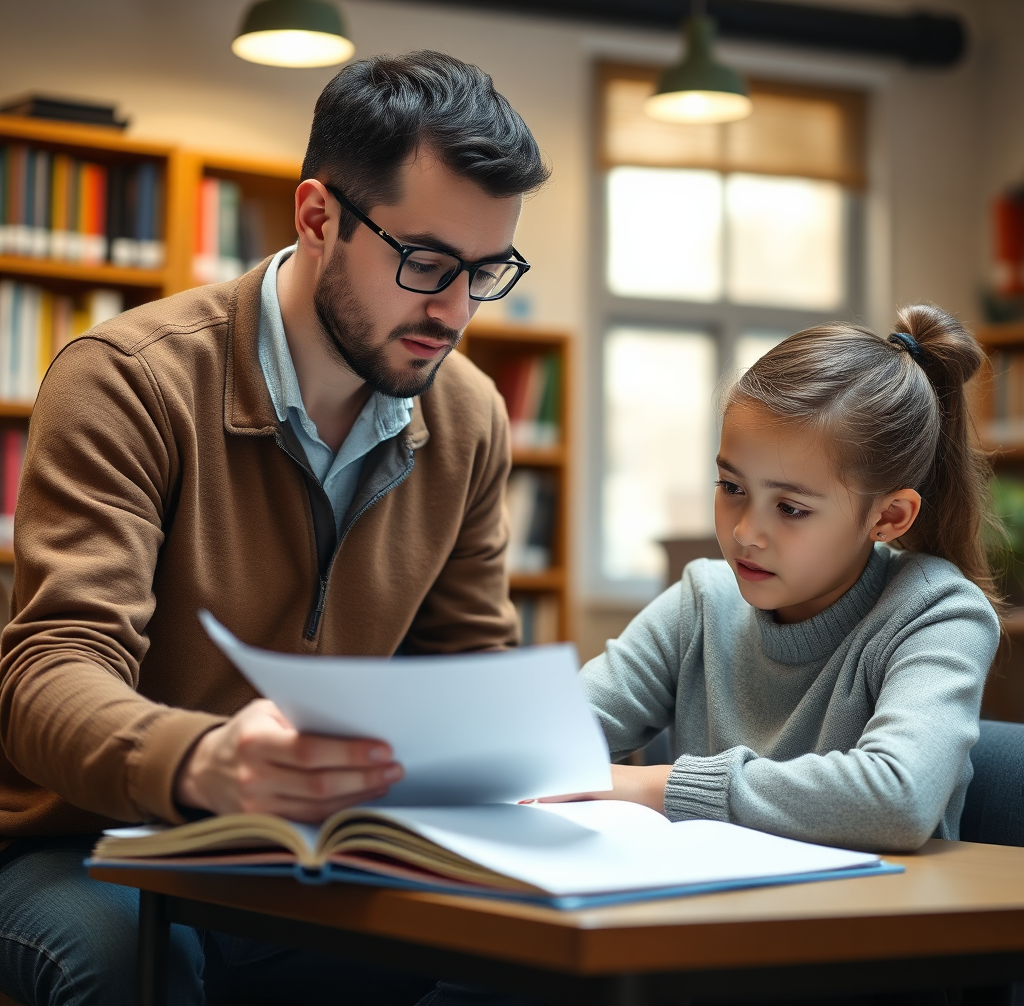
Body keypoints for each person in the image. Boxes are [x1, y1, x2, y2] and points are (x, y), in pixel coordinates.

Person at [0, 51, 548, 1005]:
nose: (456, 310)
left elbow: (468, 677)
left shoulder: (468, 418)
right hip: (80, 843)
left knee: (520, 959)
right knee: (132, 964)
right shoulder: (127, 380)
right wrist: (207, 762)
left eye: (486, 270)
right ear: (318, 217)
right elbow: (52, 671)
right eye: (424, 262)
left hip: (305, 856)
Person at [570, 304, 1002, 853]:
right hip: (713, 915)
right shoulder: (702, 602)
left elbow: (899, 797)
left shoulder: (940, 614)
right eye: (731, 487)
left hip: (867, 926)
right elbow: (555, 738)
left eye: (792, 508)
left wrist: (657, 785)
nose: (747, 532)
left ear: (887, 517)